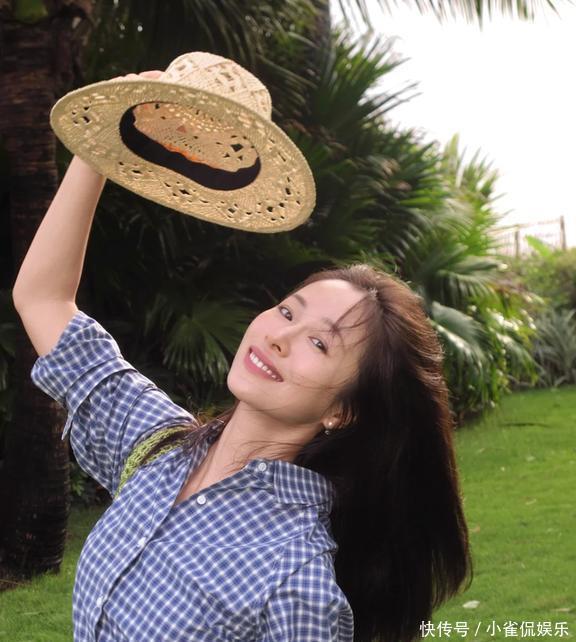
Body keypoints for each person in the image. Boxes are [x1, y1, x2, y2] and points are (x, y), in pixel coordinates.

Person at [13, 73, 472, 642]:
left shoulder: (295, 582)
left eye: (320, 343)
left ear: (344, 411)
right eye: (287, 311)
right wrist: (102, 142)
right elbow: (43, 298)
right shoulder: (157, 448)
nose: (280, 336)